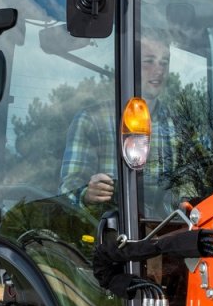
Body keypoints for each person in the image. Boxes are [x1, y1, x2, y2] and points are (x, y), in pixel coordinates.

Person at [59, 31, 176, 213]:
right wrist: (87, 194)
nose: (159, 70)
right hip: (111, 234)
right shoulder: (92, 121)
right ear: (129, 65)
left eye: (164, 63)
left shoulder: (180, 124)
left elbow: (206, 171)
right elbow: (70, 188)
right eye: (149, 61)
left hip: (172, 233)